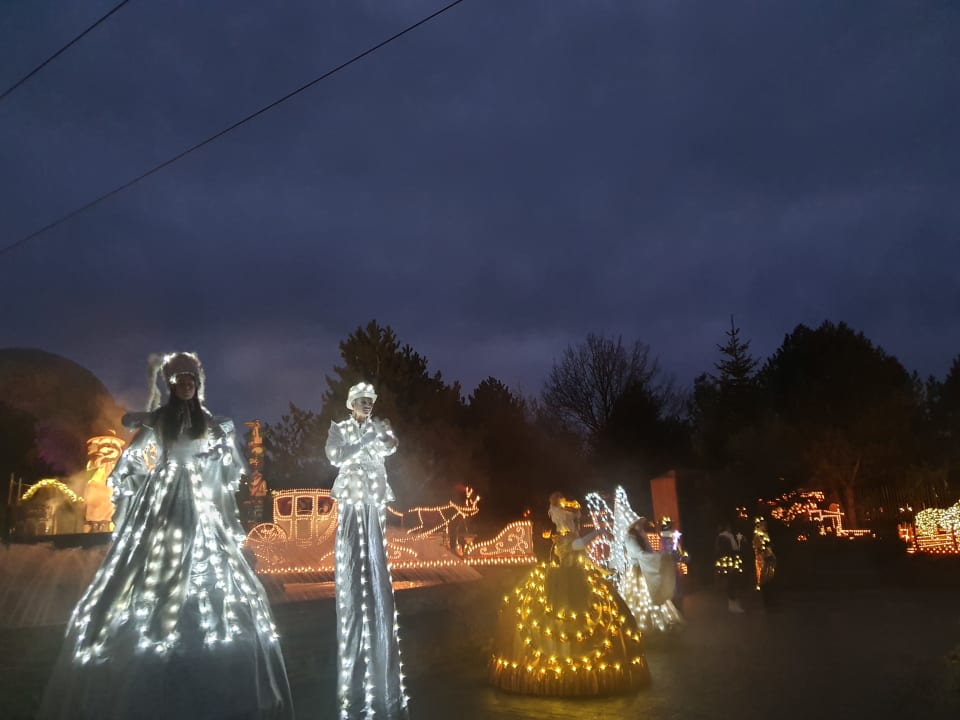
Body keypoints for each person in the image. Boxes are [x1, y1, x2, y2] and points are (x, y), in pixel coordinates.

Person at [38, 352, 294, 720]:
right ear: (173, 386)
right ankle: (156, 611)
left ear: (197, 385)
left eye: (192, 380)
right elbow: (135, 445)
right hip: (166, 490)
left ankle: (201, 616)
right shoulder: (162, 419)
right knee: (161, 549)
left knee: (205, 548)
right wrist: (127, 460)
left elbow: (219, 451)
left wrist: (220, 452)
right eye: (181, 381)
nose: (187, 385)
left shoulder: (205, 420)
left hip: (196, 492)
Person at [489, 491, 649, 696]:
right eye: (573, 520)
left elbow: (582, 552)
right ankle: (561, 676)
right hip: (566, 585)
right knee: (558, 623)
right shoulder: (564, 538)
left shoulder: (569, 536)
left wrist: (600, 563)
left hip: (580, 579)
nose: (576, 524)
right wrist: (598, 533)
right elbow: (578, 545)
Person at [325, 382, 408, 720]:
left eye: (370, 402)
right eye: (361, 401)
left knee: (375, 550)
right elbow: (335, 456)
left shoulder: (378, 427)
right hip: (352, 500)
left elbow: (391, 446)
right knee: (353, 549)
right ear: (351, 404)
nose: (366, 406)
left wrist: (382, 437)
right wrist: (363, 444)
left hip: (372, 502)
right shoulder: (341, 429)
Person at [622, 517, 683, 631]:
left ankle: (658, 624)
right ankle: (642, 626)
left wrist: (660, 556)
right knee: (640, 599)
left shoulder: (641, 536)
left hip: (646, 568)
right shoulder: (630, 538)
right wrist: (658, 557)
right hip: (638, 571)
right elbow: (639, 554)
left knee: (653, 594)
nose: (642, 525)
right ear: (634, 525)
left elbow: (650, 551)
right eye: (640, 523)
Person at [715, 521, 745, 613]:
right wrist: (740, 541)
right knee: (733, 582)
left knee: (728, 581)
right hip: (731, 561)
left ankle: (731, 603)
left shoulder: (719, 537)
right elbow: (736, 548)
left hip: (723, 562)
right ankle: (733, 604)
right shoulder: (729, 536)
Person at [752, 516, 778, 609]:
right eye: (763, 524)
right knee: (765, 582)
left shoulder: (765, 534)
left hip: (769, 561)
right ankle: (768, 604)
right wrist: (766, 552)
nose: (765, 526)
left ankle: (771, 603)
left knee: (770, 581)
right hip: (763, 562)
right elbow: (759, 550)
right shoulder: (758, 536)